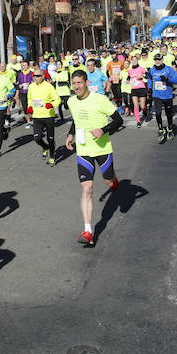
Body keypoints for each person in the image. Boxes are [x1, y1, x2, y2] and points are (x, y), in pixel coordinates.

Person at [65, 71, 124, 247]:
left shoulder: (99, 99)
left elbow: (118, 120)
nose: (76, 86)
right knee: (87, 189)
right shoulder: (71, 101)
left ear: (86, 82)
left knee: (108, 182)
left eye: (79, 83)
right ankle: (88, 230)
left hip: (102, 149)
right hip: (83, 151)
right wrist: (70, 135)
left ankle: (114, 181)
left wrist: (103, 130)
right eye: (74, 83)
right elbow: (76, 120)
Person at [27, 67, 60, 166]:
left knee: (50, 138)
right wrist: (30, 107)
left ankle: (52, 156)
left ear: (43, 76)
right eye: (34, 76)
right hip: (37, 116)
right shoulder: (31, 86)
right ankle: (45, 147)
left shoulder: (49, 86)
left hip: (48, 116)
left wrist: (52, 105)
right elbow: (29, 99)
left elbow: (57, 99)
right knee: (37, 138)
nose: (35, 77)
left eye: (37, 76)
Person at [147, 54, 177, 141]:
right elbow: (149, 78)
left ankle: (170, 129)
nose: (157, 61)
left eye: (159, 60)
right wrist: (149, 88)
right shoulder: (152, 70)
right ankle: (160, 129)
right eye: (156, 60)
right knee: (158, 113)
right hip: (157, 95)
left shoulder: (168, 69)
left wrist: (167, 79)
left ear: (162, 60)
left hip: (167, 95)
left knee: (168, 114)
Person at [16, 60, 35, 129]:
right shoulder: (20, 74)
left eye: (25, 65)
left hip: (31, 92)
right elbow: (18, 83)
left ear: (28, 66)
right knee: (25, 107)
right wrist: (20, 86)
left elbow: (35, 82)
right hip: (23, 92)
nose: (24, 67)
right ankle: (29, 122)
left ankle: (35, 120)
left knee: (32, 107)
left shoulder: (31, 73)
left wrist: (29, 84)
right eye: (23, 65)